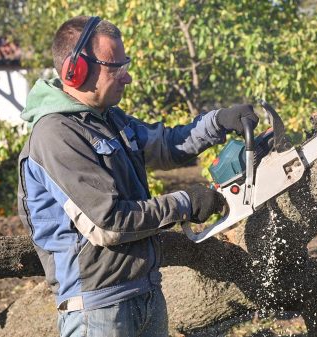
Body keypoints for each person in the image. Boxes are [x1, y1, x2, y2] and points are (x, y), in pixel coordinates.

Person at [17, 15, 258, 337]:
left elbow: (166, 145)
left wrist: (218, 122)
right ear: (75, 70)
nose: (126, 77)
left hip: (144, 291)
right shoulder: (56, 135)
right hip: (98, 309)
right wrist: (185, 202)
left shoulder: (108, 119)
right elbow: (108, 223)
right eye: (114, 67)